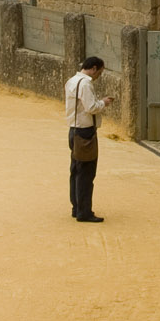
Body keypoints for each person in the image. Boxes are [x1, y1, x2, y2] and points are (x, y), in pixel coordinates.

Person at [64, 56, 113, 223]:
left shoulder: (72, 81)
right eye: (99, 71)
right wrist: (104, 103)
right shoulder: (85, 84)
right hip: (85, 132)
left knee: (76, 171)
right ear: (93, 68)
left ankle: (76, 207)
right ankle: (84, 211)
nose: (98, 75)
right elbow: (91, 107)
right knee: (86, 173)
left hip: (74, 130)